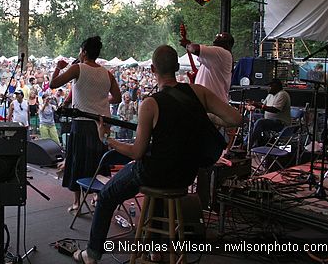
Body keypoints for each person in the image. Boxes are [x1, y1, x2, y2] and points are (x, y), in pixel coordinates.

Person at [72, 45, 241, 263]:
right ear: (178, 67)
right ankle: (156, 249)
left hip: (156, 174)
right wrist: (206, 118)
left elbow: (137, 152)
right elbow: (235, 119)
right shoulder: (198, 92)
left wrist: (107, 140)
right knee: (163, 175)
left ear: (153, 69)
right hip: (186, 174)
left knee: (106, 196)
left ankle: (91, 255)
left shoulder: (150, 104)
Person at [50, 36, 121, 212]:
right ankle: (98, 196)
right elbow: (117, 98)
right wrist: (101, 101)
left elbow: (53, 84)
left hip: (82, 123)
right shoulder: (107, 73)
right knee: (99, 159)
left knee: (77, 160)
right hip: (102, 123)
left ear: (84, 52)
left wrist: (58, 68)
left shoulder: (78, 68)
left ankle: (77, 202)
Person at [180, 32, 234, 103]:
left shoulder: (223, 53)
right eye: (217, 34)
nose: (217, 36)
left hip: (214, 104)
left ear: (228, 44)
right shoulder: (214, 58)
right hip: (209, 103)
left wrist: (187, 45)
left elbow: (195, 49)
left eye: (221, 36)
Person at [246, 78, 292, 147]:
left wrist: (260, 106)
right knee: (251, 116)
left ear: (276, 86)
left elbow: (275, 110)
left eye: (270, 86)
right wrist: (253, 104)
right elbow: (263, 105)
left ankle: (247, 144)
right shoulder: (270, 95)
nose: (268, 88)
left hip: (280, 123)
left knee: (260, 122)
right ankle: (256, 140)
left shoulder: (282, 94)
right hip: (268, 119)